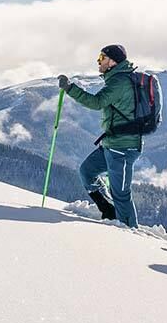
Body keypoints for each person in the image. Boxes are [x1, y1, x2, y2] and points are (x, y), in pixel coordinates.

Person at [58, 44, 146, 228]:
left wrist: (70, 89)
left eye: (101, 58)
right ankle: (109, 210)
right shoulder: (118, 80)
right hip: (112, 143)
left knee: (121, 193)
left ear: (112, 61)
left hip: (123, 147)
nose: (98, 61)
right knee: (87, 172)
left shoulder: (120, 82)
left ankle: (130, 233)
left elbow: (97, 102)